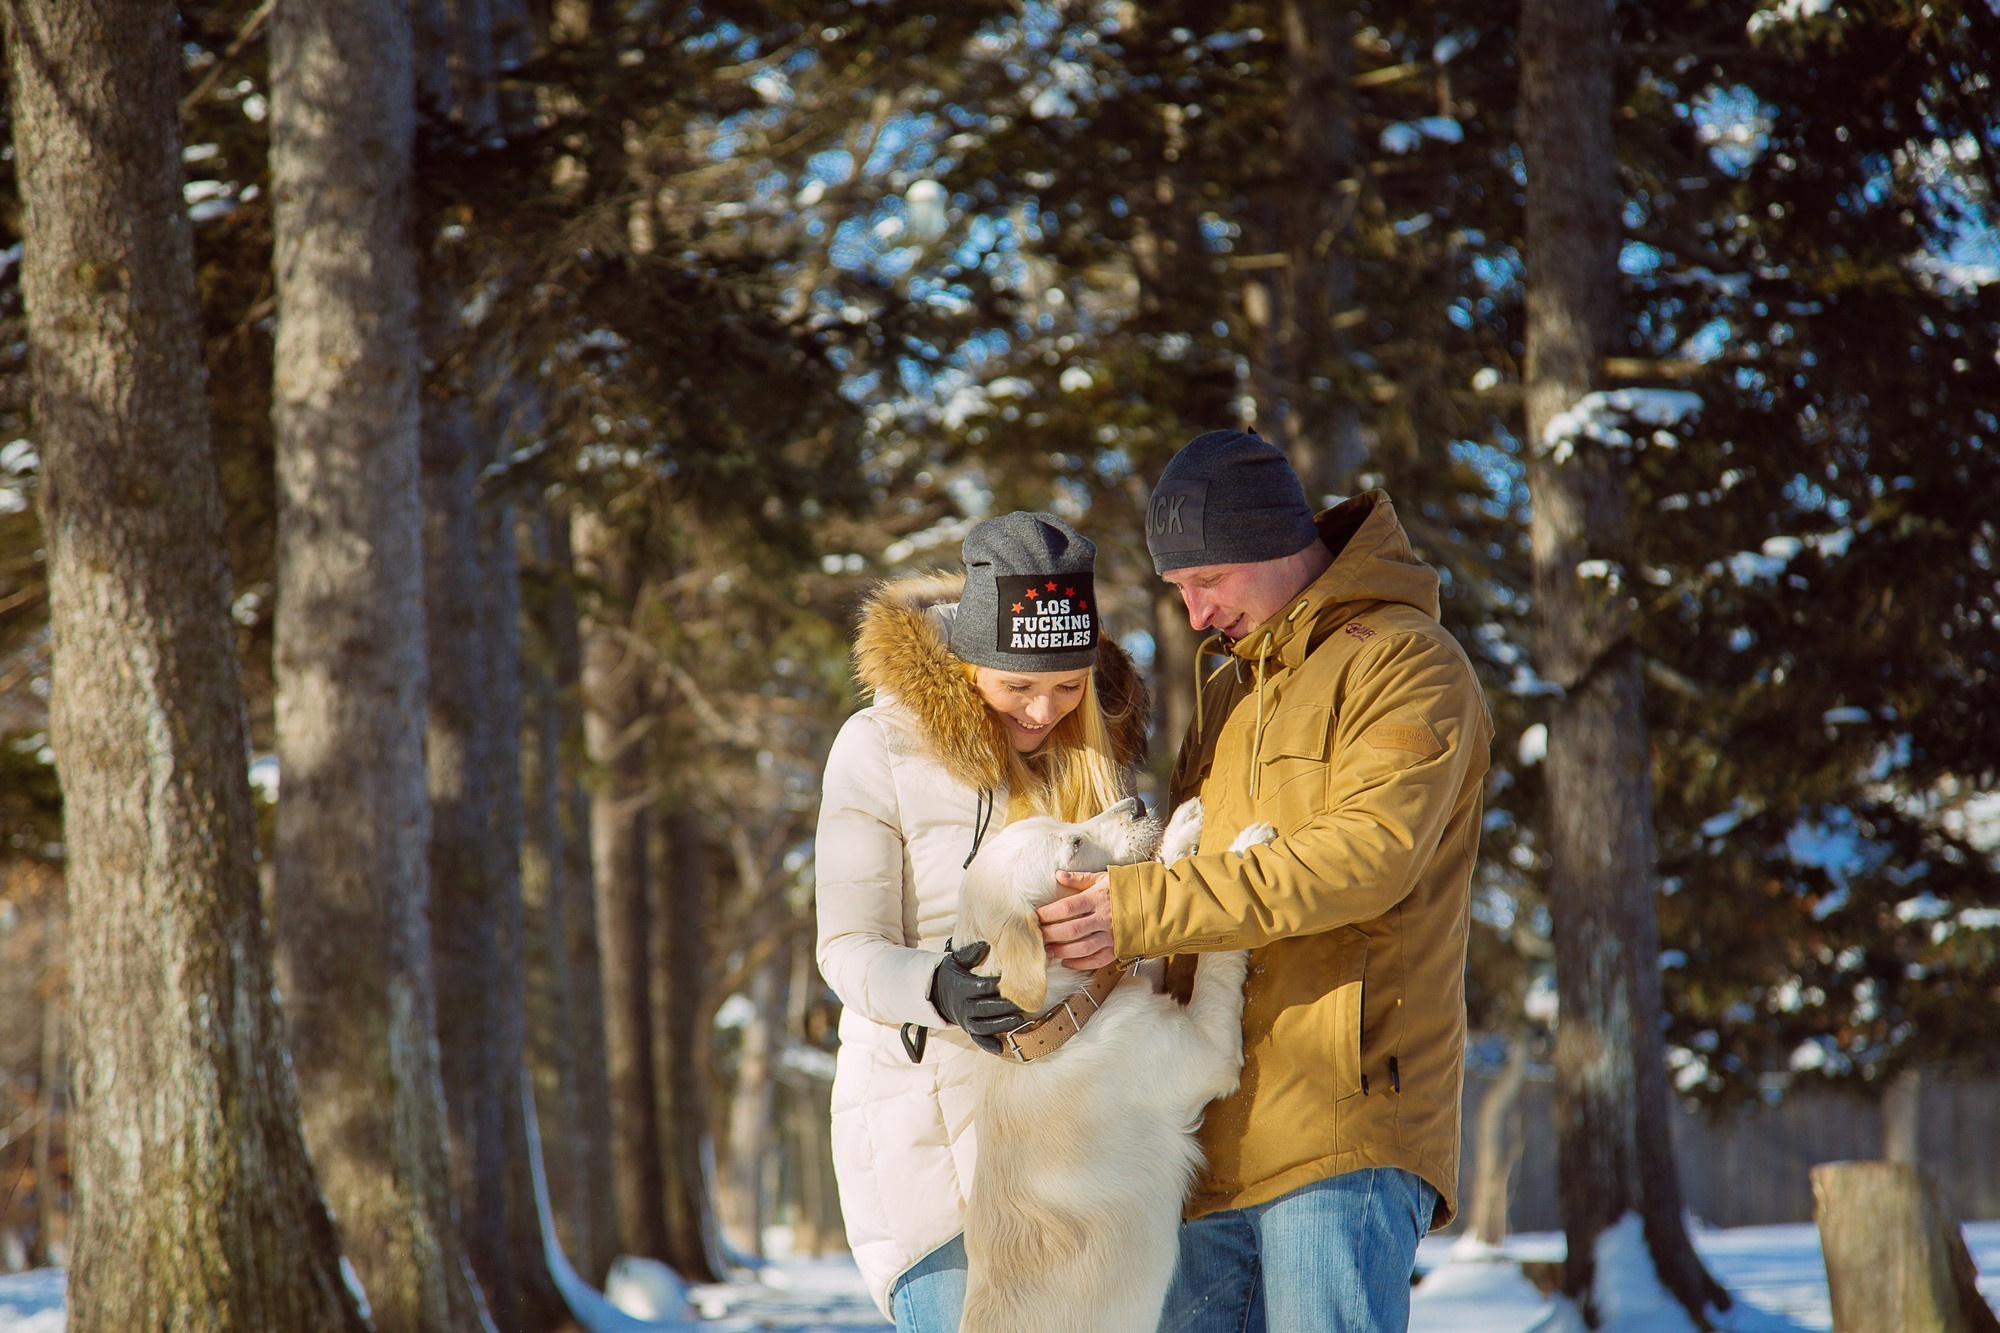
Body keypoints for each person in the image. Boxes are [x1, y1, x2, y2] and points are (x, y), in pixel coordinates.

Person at [1038, 431, 1494, 1332]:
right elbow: (1201, 873)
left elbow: (1364, 856)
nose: (1198, 613)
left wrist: (1139, 911)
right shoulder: (1230, 691)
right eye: (1180, 592)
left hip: (1342, 1124)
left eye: (1210, 581)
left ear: (1276, 540)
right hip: (1208, 1135)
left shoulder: (1406, 664)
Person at [814, 511, 1149, 1329]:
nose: (1042, 710)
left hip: (1069, 1137)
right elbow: (846, 946)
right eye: (1018, 687)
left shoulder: (1093, 752)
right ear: (969, 664)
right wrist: (937, 985)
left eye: (1068, 686)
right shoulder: (877, 747)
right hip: (924, 1137)